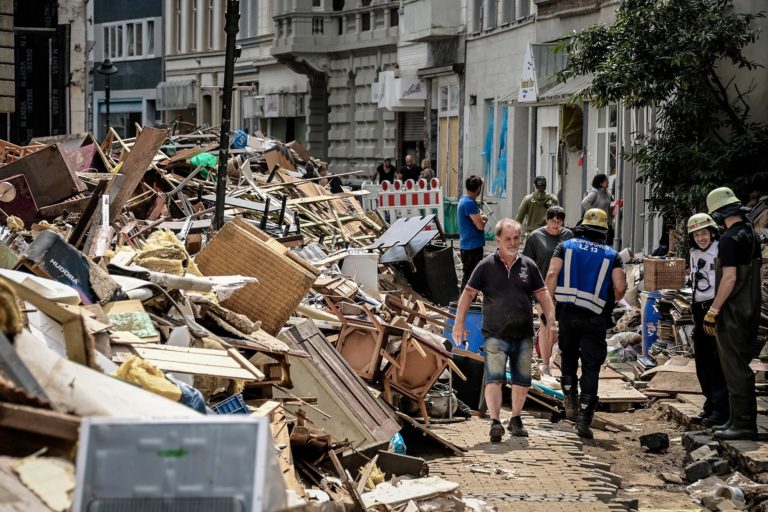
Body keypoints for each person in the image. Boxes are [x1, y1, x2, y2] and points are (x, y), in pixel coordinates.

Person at [452, 219, 557, 442]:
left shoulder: (528, 265)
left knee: (522, 381)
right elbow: (468, 294)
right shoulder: (485, 266)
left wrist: (551, 317)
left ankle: (516, 419)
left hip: (523, 333)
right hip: (495, 333)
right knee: (495, 379)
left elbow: (542, 293)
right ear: (498, 239)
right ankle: (495, 421)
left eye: (516, 239)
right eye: (507, 239)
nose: (512, 243)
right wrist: (459, 324)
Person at [545, 208, 626, 439]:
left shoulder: (565, 246)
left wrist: (549, 306)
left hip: (568, 314)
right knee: (591, 368)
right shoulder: (613, 255)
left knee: (568, 356)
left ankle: (569, 399)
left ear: (582, 227)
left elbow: (551, 274)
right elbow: (620, 289)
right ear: (604, 231)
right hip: (595, 318)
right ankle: (583, 419)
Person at [704, 187, 762, 440]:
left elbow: (728, 279)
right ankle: (736, 419)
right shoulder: (751, 233)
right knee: (741, 363)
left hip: (732, 309)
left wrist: (713, 310)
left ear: (717, 213)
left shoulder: (729, 239)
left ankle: (744, 423)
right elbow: (757, 275)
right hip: (751, 305)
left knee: (734, 366)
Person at [686, 213, 729, 428]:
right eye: (696, 235)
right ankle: (709, 406)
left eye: (704, 233)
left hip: (716, 308)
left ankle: (721, 410)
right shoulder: (693, 253)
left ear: (712, 232)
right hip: (698, 308)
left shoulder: (721, 251)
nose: (701, 238)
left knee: (717, 361)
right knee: (702, 360)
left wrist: (715, 310)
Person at [522, 206, 574, 376]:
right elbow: (526, 264)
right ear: (547, 219)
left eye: (559, 222)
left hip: (564, 289)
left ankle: (556, 359)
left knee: (559, 328)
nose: (556, 225)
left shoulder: (568, 236)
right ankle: (545, 365)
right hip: (541, 289)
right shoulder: (535, 238)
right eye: (553, 221)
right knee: (546, 325)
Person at [457, 175, 487, 290]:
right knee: (471, 277)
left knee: (471, 276)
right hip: (472, 246)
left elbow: (478, 218)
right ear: (478, 189)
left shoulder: (466, 201)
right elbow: (480, 226)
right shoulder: (469, 203)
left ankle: (467, 302)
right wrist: (484, 219)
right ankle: (465, 303)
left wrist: (481, 217)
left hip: (469, 245)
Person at [582, 173, 615, 245]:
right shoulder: (595, 193)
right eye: (606, 181)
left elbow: (610, 205)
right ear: (600, 183)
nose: (608, 182)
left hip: (605, 224)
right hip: (594, 224)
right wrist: (594, 213)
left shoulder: (608, 193)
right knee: (594, 243)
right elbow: (585, 202)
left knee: (603, 243)